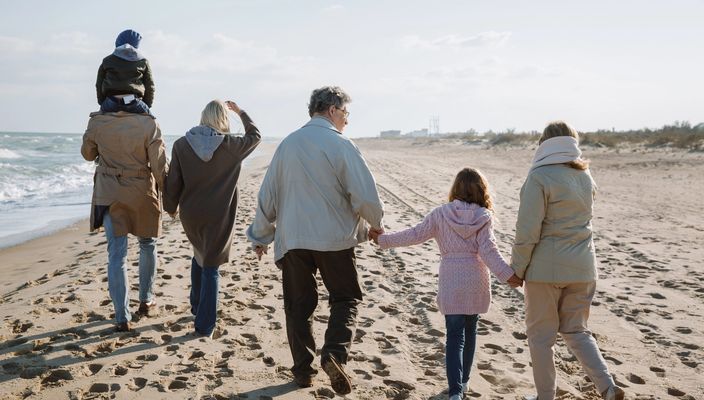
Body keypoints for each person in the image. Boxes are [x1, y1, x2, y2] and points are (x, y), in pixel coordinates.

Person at [246, 86, 384, 395]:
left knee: (298, 307)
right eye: (346, 113)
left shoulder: (287, 145)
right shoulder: (341, 145)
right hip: (334, 239)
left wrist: (260, 235)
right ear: (333, 110)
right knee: (346, 298)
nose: (347, 120)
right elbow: (364, 195)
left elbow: (267, 195)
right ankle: (334, 354)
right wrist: (376, 224)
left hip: (293, 239)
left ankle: (303, 372)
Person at [369, 168, 523, 400]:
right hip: (475, 280)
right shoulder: (484, 216)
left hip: (452, 279)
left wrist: (382, 239)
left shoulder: (440, 214)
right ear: (481, 191)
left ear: (455, 189)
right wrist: (510, 276)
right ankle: (465, 381)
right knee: (470, 332)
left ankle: (455, 393)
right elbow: (489, 251)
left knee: (454, 337)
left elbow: (414, 235)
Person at [511, 121, 625, 400]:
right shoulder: (586, 177)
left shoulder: (539, 177)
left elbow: (528, 230)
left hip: (545, 270)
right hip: (584, 267)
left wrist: (517, 268)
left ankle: (545, 397)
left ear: (543, 143)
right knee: (576, 330)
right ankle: (607, 387)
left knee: (541, 337)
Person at [163, 99, 261, 338]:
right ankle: (205, 325)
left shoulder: (182, 145)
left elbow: (174, 180)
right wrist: (241, 112)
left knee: (200, 253)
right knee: (211, 265)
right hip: (219, 214)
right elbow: (255, 135)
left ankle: (197, 306)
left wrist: (170, 206)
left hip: (191, 214)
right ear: (223, 119)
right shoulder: (232, 145)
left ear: (203, 116)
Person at [81, 110, 167, 332]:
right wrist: (170, 196)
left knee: (117, 254)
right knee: (147, 244)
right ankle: (146, 301)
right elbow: (158, 165)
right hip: (141, 191)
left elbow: (88, 154)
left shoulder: (98, 120)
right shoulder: (149, 122)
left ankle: (122, 316)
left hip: (109, 192)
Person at [96, 29, 155, 115]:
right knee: (151, 120)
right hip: (131, 100)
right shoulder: (143, 62)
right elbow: (150, 86)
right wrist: (147, 105)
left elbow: (99, 84)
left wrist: (102, 103)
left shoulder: (107, 60)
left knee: (97, 119)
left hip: (111, 100)